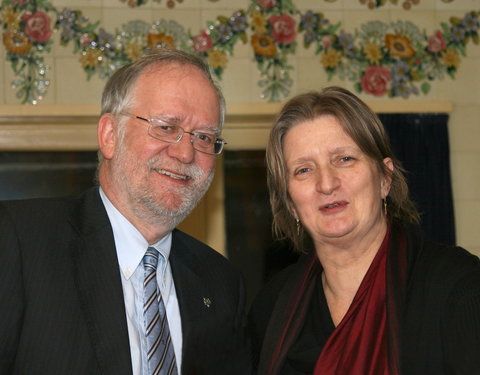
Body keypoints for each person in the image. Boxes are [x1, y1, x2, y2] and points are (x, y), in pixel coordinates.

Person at [0, 49, 250, 375]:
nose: (186, 152)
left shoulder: (222, 284)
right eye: (165, 127)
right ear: (109, 136)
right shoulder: (17, 242)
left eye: (204, 137)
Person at [248, 86, 480, 375]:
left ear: (385, 178)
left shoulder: (460, 286)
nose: (327, 183)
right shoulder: (271, 309)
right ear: (291, 204)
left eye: (344, 159)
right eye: (304, 170)